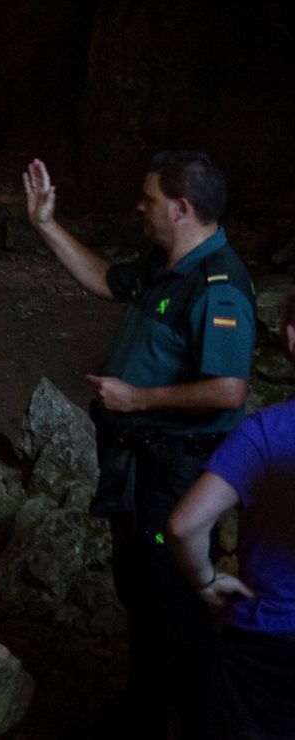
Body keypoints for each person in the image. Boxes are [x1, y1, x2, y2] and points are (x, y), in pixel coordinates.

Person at [24, 151, 255, 738]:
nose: (139, 206)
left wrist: (137, 400)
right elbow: (107, 280)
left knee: (176, 602)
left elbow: (229, 389)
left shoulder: (217, 287)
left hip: (174, 468)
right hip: (135, 463)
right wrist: (46, 224)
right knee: (142, 592)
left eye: (148, 199)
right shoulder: (164, 263)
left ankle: (203, 720)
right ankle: (144, 711)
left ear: (181, 209)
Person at [168, 285, 295, 739]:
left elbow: (183, 526)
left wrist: (206, 581)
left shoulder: (265, 433)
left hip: (266, 641)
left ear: (292, 339)